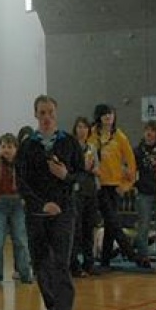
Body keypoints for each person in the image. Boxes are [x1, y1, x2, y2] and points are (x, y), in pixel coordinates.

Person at [17, 95, 86, 310]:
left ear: (56, 114)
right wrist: (42, 204)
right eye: (42, 113)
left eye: (50, 112)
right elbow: (22, 182)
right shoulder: (27, 146)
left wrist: (66, 176)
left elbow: (82, 177)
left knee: (61, 261)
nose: (46, 117)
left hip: (64, 211)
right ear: (36, 115)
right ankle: (52, 305)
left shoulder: (69, 143)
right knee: (40, 261)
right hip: (37, 213)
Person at [89, 104, 136, 270]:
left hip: (115, 186)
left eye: (110, 114)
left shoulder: (120, 136)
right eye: (104, 114)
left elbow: (131, 163)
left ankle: (105, 261)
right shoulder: (92, 135)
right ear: (99, 117)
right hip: (99, 185)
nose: (108, 117)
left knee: (110, 224)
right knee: (112, 220)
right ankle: (130, 252)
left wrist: (126, 185)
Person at [0, 132, 32, 285]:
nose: (6, 150)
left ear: (16, 148)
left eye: (10, 147)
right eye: (3, 146)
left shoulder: (23, 164)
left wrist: (26, 198)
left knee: (20, 240)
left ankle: (25, 274)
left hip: (18, 203)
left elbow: (30, 184)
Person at [131, 121, 156, 271]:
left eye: (152, 130)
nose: (149, 133)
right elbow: (132, 169)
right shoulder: (138, 150)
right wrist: (133, 186)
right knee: (143, 226)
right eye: (146, 130)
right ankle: (143, 258)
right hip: (144, 192)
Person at [68, 116, 99, 277]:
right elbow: (69, 170)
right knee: (77, 229)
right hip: (76, 191)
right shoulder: (70, 148)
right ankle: (74, 264)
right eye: (79, 127)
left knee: (89, 227)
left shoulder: (91, 148)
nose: (82, 130)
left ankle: (89, 263)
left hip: (90, 190)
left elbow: (97, 169)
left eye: (85, 127)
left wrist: (92, 169)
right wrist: (82, 167)